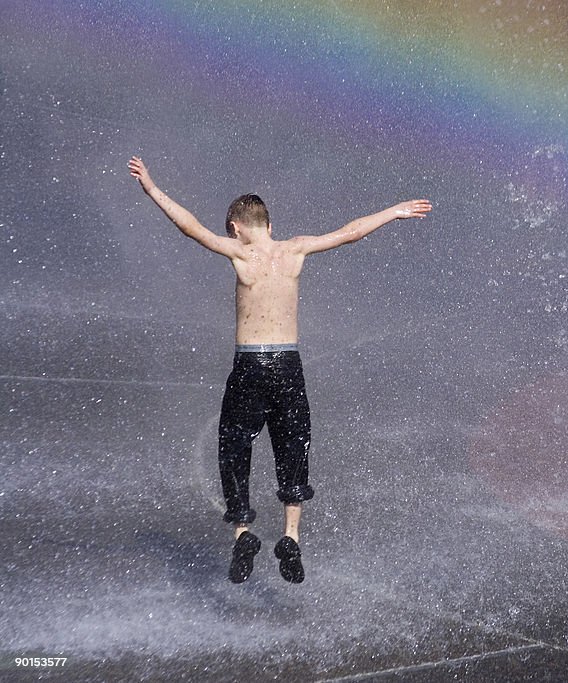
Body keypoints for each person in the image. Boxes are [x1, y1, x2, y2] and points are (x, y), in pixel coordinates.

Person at [128, 156, 431, 583]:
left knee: (234, 446)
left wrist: (152, 188)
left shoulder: (239, 252)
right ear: (268, 224)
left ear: (236, 226)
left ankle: (243, 532)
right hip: (287, 364)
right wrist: (394, 211)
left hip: (250, 363)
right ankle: (291, 536)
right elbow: (351, 232)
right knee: (294, 446)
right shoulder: (294, 250)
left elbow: (189, 226)